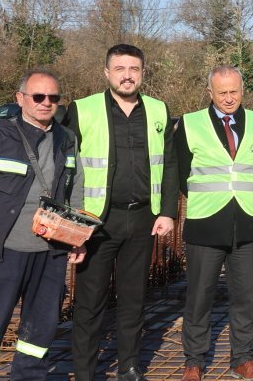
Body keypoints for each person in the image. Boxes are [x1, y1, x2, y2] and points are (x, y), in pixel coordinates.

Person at [0, 70, 86, 380]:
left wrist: (77, 237)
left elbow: (75, 189)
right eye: (38, 96)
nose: (46, 103)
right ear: (20, 99)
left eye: (53, 98)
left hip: (50, 252)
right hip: (5, 250)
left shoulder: (66, 139)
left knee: (40, 331)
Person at [66, 43, 179, 381]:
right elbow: (67, 168)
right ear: (107, 73)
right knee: (89, 303)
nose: (127, 76)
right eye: (120, 69)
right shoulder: (83, 109)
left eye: (134, 69)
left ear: (142, 73)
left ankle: (129, 366)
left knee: (134, 299)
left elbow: (169, 164)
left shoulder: (158, 111)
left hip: (143, 217)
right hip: (97, 221)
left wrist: (168, 211)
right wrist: (73, 224)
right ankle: (85, 372)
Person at [173, 66, 253, 381]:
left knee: (245, 298)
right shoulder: (190, 124)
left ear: (242, 90)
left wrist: (241, 194)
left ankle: (242, 360)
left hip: (245, 223)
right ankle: (194, 362)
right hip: (205, 223)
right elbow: (181, 174)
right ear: (210, 93)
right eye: (222, 93)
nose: (229, 98)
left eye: (234, 91)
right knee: (199, 298)